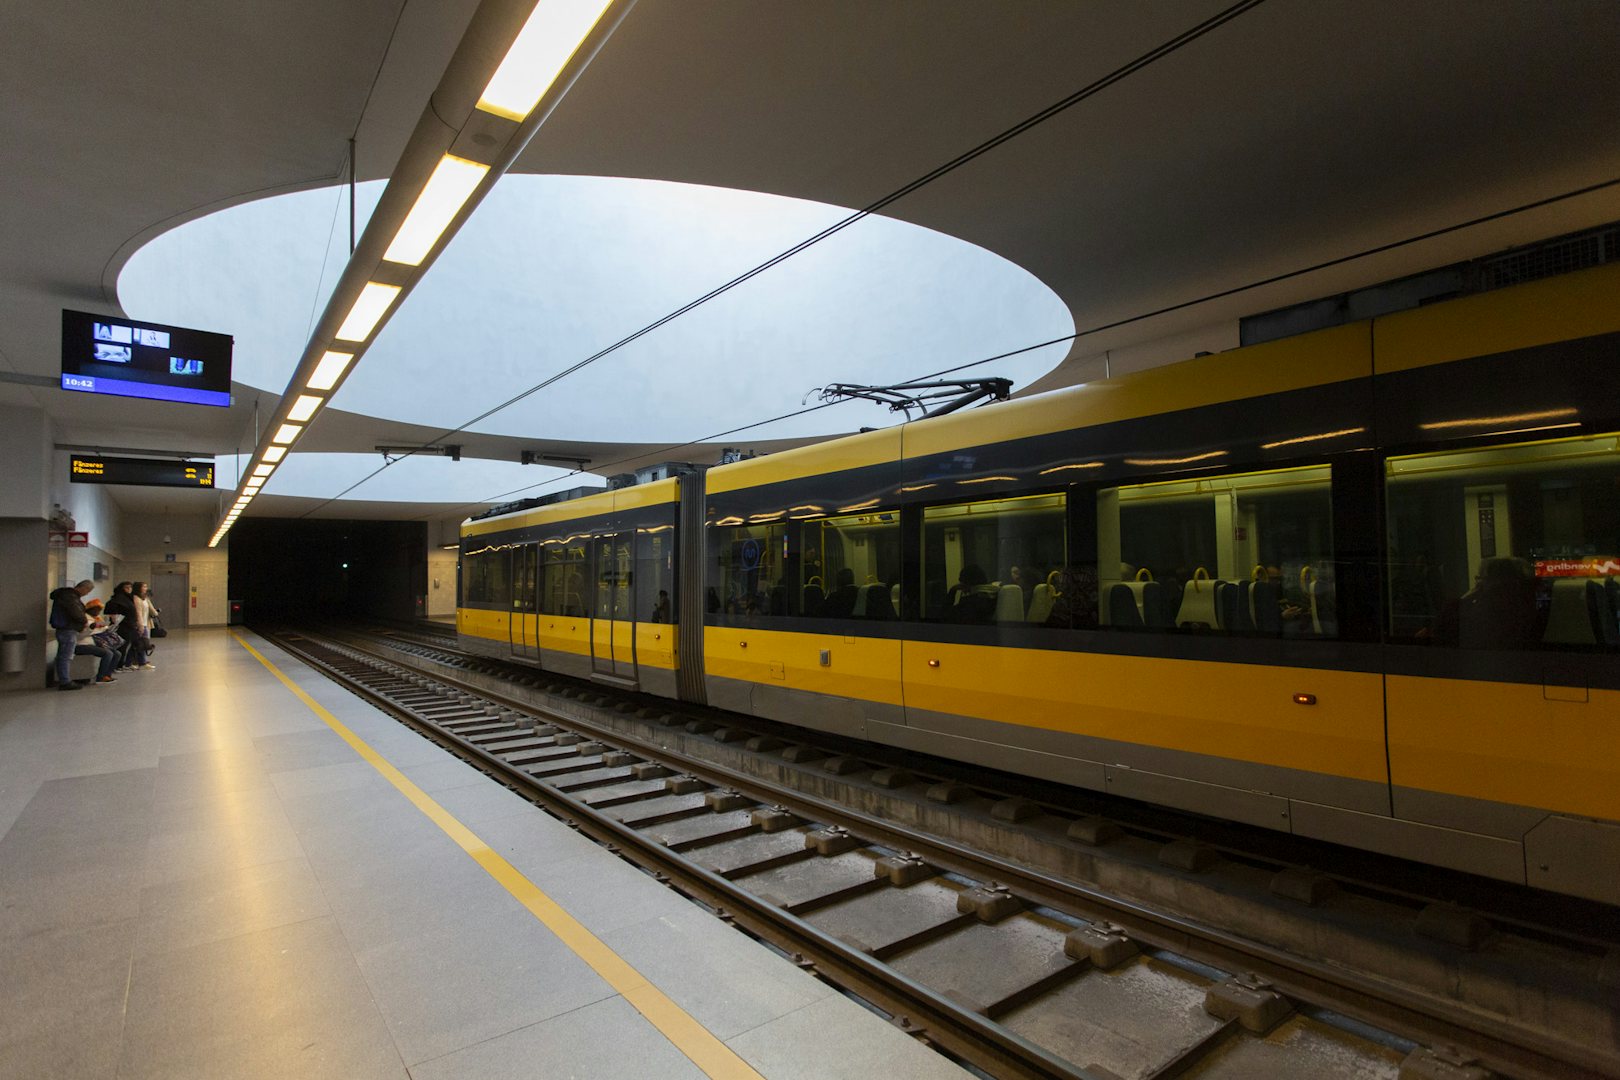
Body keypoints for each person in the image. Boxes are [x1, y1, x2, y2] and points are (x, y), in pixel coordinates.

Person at [48, 579, 94, 690]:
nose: (86, 594)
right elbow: (76, 612)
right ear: (84, 588)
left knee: (64, 655)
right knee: (66, 656)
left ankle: (65, 679)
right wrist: (84, 621)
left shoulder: (65, 595)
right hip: (68, 628)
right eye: (87, 591)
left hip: (65, 628)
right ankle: (65, 681)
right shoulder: (70, 597)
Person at [75, 600, 120, 683]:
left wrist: (109, 627)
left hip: (95, 642)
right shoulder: (84, 619)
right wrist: (92, 628)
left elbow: (101, 629)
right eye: (95, 610)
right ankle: (101, 676)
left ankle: (107, 675)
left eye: (99, 610)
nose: (97, 612)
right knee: (107, 653)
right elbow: (80, 635)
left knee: (117, 654)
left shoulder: (96, 618)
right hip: (82, 644)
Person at [103, 581, 139, 670]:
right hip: (122, 626)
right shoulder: (117, 600)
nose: (129, 589)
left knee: (128, 645)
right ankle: (117, 665)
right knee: (121, 646)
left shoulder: (129, 599)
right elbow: (112, 614)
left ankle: (124, 663)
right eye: (127, 587)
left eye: (130, 587)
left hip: (130, 625)